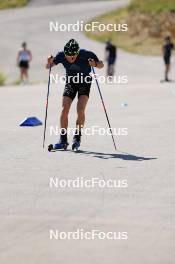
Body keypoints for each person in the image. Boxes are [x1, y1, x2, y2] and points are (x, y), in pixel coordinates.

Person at [46, 39, 104, 150]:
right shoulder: (61, 55)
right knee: (64, 109)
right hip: (71, 82)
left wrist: (95, 64)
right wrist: (49, 61)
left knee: (80, 109)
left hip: (84, 82)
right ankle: (63, 140)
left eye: (73, 56)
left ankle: (77, 137)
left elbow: (101, 65)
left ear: (77, 53)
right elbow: (48, 66)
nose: (70, 59)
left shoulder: (86, 54)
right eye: (68, 56)